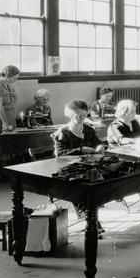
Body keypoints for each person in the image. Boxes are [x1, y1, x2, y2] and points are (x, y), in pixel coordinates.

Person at [52, 99, 107, 236]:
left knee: (103, 178)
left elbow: (98, 143)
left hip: (89, 167)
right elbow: (60, 154)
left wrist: (100, 146)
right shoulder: (63, 132)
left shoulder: (87, 129)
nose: (82, 118)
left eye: (84, 115)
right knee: (82, 185)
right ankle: (92, 220)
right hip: (68, 170)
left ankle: (92, 216)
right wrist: (81, 149)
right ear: (70, 115)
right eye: (78, 116)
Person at [106, 99, 140, 215]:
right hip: (120, 160)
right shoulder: (115, 126)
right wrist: (137, 141)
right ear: (123, 112)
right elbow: (122, 140)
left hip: (136, 156)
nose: (134, 114)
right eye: (132, 112)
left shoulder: (134, 122)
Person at [0, 64, 20, 180]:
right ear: (8, 76)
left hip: (10, 115)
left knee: (7, 144)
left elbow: (15, 98)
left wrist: (13, 114)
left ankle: (4, 170)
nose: (16, 80)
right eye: (15, 78)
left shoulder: (8, 85)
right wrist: (5, 122)